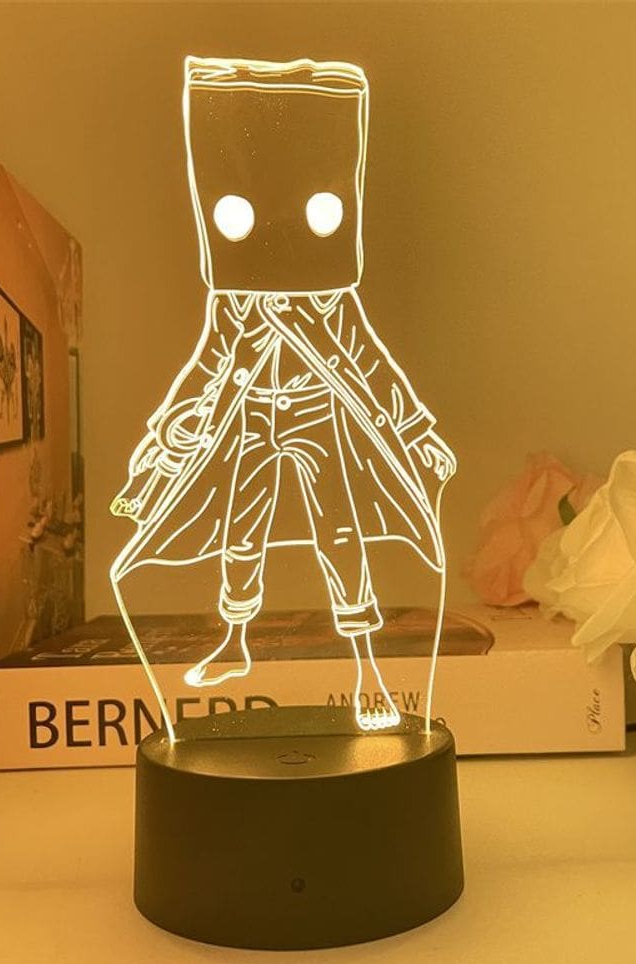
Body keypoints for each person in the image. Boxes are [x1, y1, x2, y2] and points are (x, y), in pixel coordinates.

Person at [110, 57, 455, 737]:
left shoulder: (332, 299)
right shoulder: (234, 300)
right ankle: (235, 639)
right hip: (248, 417)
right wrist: (164, 437)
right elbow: (209, 364)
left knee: (339, 533)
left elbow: (369, 361)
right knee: (242, 531)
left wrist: (417, 431)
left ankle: (367, 668)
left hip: (315, 413)